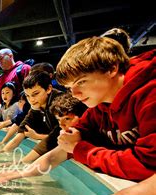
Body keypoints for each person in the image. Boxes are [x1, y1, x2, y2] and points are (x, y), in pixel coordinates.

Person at [56, 36, 156, 181]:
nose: (75, 94)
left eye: (81, 82)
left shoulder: (150, 93)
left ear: (111, 69)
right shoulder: (98, 106)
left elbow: (148, 165)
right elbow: (70, 140)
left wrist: (83, 151)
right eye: (70, 88)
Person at [0, 93, 87, 182]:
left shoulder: (90, 128)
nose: (62, 125)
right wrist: (16, 173)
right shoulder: (66, 135)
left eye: (67, 119)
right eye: (59, 120)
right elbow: (50, 158)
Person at [0, 71, 63, 158]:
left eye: (35, 94)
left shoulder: (60, 104)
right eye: (28, 96)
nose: (31, 100)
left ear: (48, 89)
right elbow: (21, 132)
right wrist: (1, 151)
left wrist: (37, 136)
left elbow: (61, 136)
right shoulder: (36, 106)